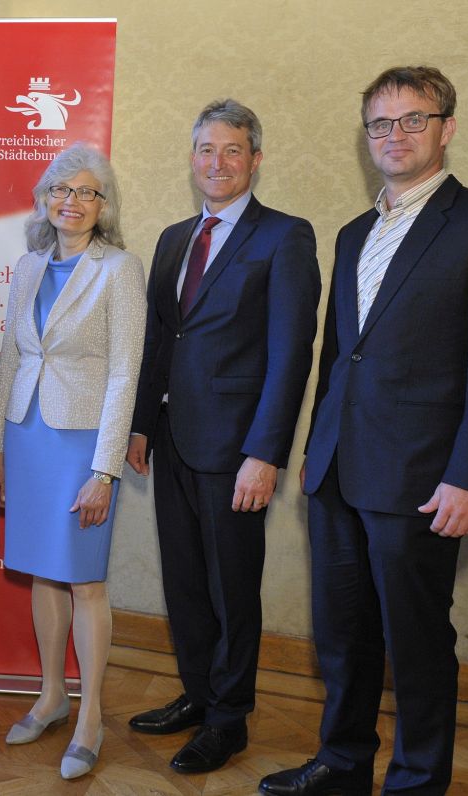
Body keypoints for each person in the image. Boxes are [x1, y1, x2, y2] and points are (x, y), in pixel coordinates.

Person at [260, 66, 468, 796]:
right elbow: (342, 356)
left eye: (413, 119)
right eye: (380, 123)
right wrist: (314, 455)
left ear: (447, 128)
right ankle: (342, 767)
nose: (395, 135)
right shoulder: (353, 233)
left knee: (417, 643)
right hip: (339, 472)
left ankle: (414, 782)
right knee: (342, 638)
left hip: (425, 478)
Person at [127, 100, 321, 774]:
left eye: (232, 149)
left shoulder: (284, 237)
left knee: (231, 585)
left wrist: (265, 454)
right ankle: (199, 694)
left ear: (255, 159)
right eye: (205, 149)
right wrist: (140, 426)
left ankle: (230, 719)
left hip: (237, 451)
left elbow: (291, 353)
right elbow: (160, 337)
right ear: (192, 159)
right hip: (173, 439)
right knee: (184, 580)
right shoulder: (176, 237)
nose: (217, 162)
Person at [0, 143, 146, 780]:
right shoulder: (27, 267)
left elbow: (125, 372)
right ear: (44, 199)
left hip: (82, 444)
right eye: (60, 189)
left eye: (85, 192)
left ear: (102, 207)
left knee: (85, 579)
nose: (71, 202)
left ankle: (91, 715)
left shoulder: (120, 269)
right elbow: (9, 362)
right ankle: (52, 695)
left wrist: (104, 470)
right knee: (43, 574)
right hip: (27, 437)